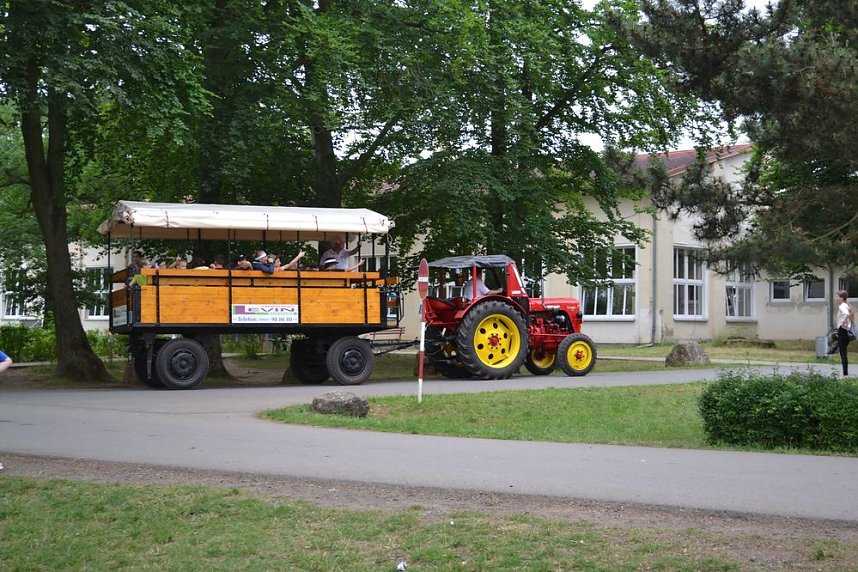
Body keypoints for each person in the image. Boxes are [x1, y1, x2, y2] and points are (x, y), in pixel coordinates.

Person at [834, 290, 854, 376]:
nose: (835, 299)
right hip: (845, 331)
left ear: (841, 298)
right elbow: (850, 316)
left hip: (842, 331)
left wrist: (841, 325)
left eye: (837, 297)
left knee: (843, 352)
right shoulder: (846, 305)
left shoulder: (842, 306)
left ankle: (845, 373)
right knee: (843, 352)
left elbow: (846, 315)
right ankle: (845, 372)